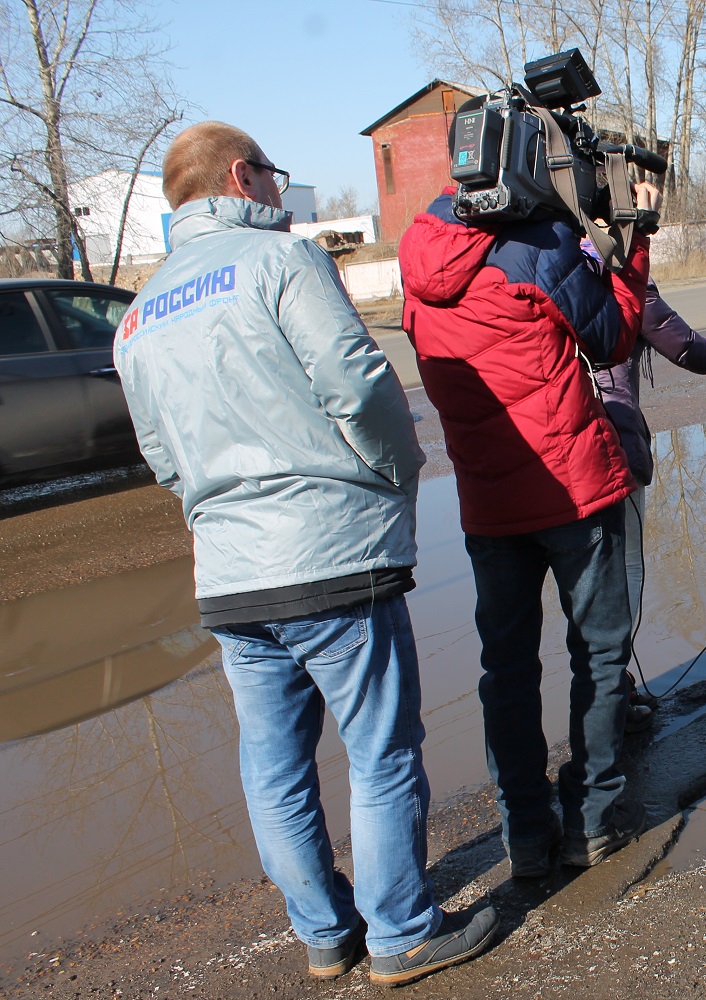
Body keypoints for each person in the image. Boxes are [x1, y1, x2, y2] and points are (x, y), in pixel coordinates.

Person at [113, 122, 497, 986]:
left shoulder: (138, 315)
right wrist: (396, 473)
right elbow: (359, 384)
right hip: (329, 555)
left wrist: (216, 511)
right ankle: (400, 934)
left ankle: (325, 934)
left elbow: (162, 453)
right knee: (381, 751)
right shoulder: (282, 263)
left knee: (274, 769)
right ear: (241, 177)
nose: (283, 194)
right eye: (275, 177)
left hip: (232, 576)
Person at [398, 122, 658, 877]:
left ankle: (525, 832)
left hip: (486, 502)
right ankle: (593, 818)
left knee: (506, 671)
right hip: (571, 491)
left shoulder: (417, 261)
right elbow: (612, 339)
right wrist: (630, 244)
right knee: (600, 659)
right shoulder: (537, 246)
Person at [590, 281, 706, 727]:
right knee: (620, 571)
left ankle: (538, 764)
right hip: (607, 446)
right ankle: (609, 697)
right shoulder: (620, 272)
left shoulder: (526, 263)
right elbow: (688, 347)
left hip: (529, 456)